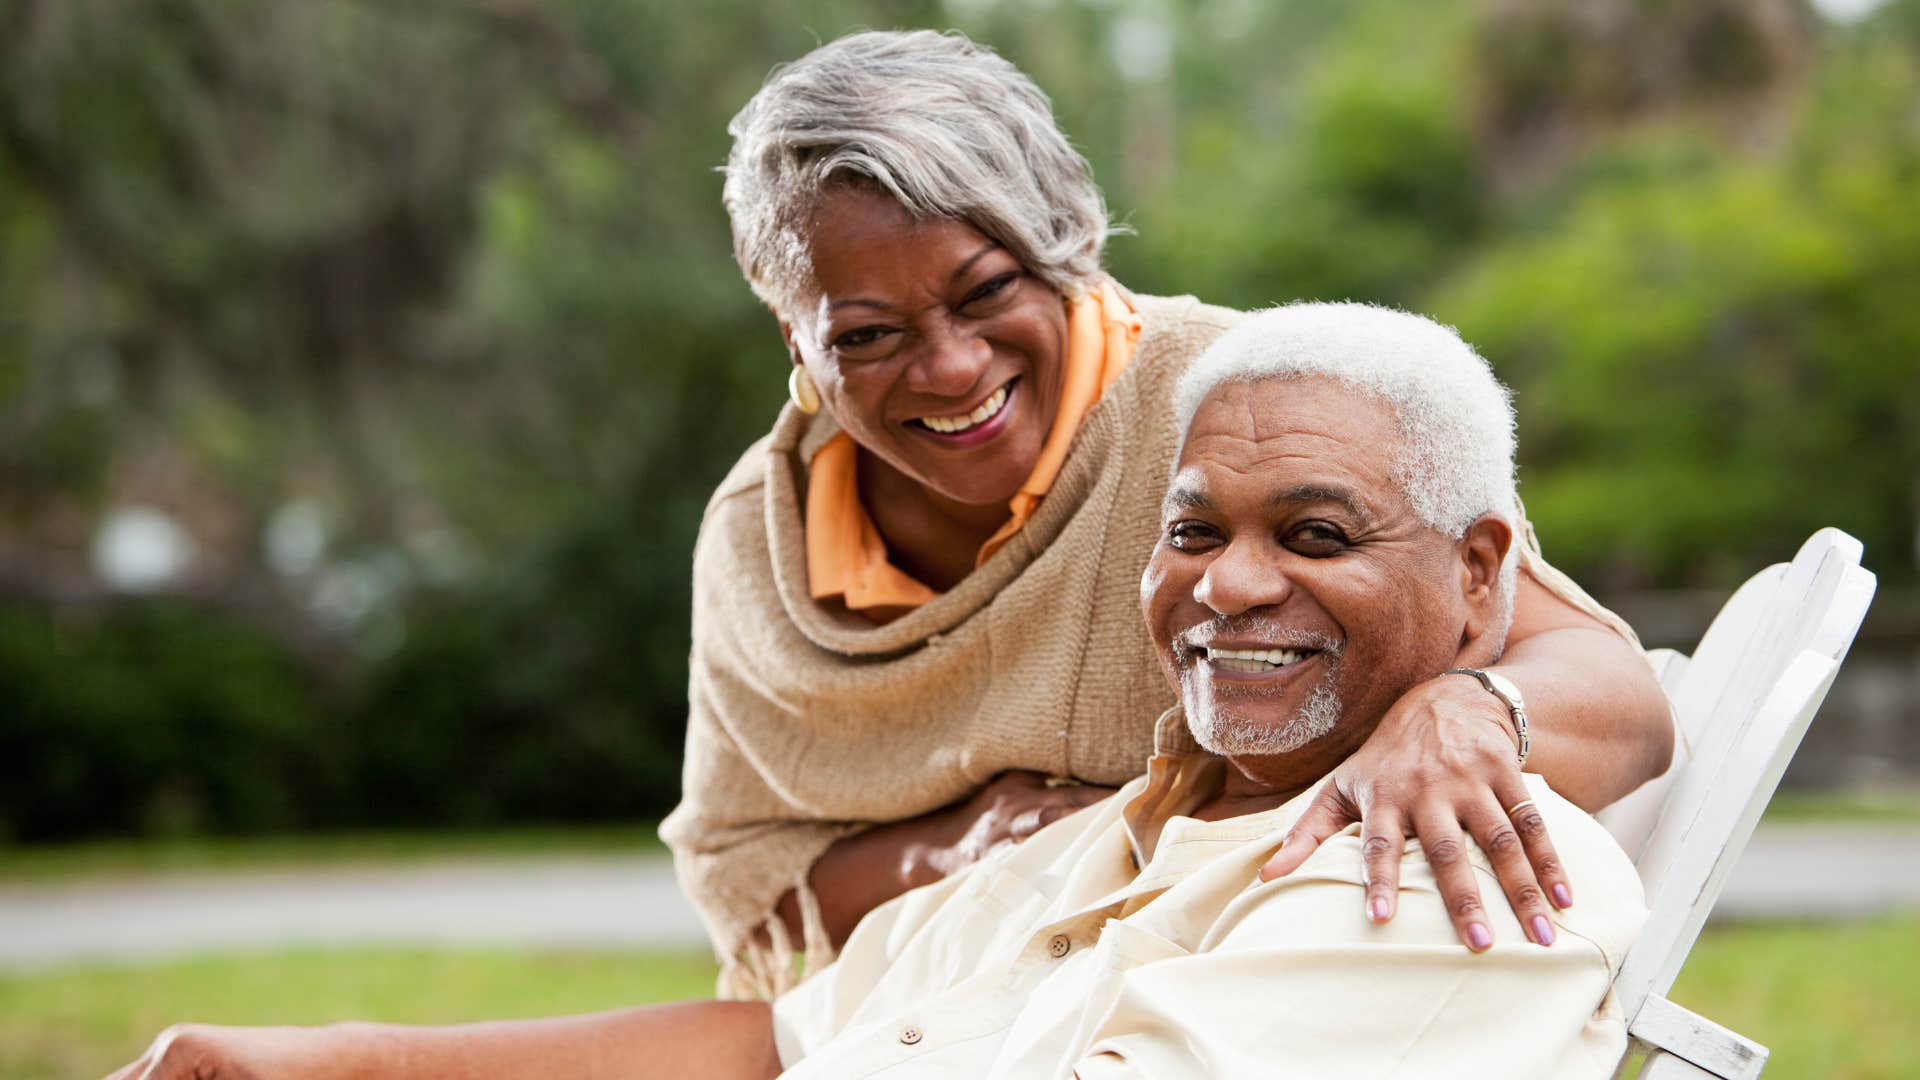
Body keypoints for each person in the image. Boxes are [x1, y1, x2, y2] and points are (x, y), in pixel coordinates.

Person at [113, 303, 1647, 1080]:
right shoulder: (1107, 832)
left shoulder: (1451, 878)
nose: (1231, 586)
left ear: (1479, 576)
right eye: (1192, 532)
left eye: (1315, 536)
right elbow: (777, 1043)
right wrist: (348, 1061)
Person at [663, 27, 1671, 996]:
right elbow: (745, 869)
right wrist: (971, 848)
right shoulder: (761, 534)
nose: (951, 368)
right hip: (923, 1020)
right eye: (868, 335)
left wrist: (1466, 709)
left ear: (1066, 244)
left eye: (987, 291)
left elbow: (1615, 694)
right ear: (794, 336)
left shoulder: (1244, 410)